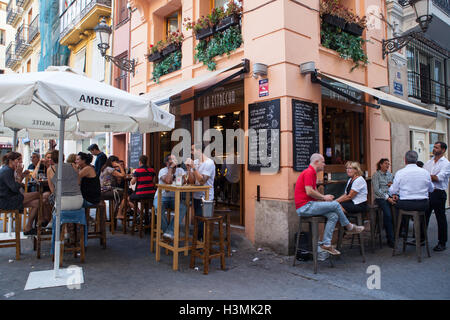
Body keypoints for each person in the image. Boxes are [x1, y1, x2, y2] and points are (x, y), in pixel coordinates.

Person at [295, 153, 364, 255]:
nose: (324, 164)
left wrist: (324, 199)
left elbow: (313, 191)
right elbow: (309, 191)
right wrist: (324, 197)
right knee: (335, 205)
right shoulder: (309, 172)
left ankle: (326, 244)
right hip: (305, 207)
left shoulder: (312, 173)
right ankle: (349, 227)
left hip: (309, 205)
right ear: (316, 162)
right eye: (323, 162)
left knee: (333, 215)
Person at [389, 150, 434, 240]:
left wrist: (394, 193)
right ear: (416, 160)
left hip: (406, 204)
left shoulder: (400, 173)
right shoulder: (425, 172)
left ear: (405, 160)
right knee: (420, 211)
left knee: (396, 206)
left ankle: (401, 231)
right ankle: (419, 235)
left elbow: (393, 190)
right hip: (423, 204)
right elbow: (431, 189)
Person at [0, 152, 40, 235]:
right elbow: (14, 188)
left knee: (37, 203)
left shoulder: (8, 169)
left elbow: (14, 185)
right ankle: (43, 220)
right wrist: (19, 175)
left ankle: (28, 228)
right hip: (6, 200)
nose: (20, 162)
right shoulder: (7, 171)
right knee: (38, 194)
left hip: (10, 197)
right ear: (11, 161)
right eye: (18, 160)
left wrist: (21, 176)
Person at [186, 144, 216, 240]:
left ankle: (204, 245)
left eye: (192, 150)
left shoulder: (209, 163)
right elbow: (192, 181)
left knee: (203, 223)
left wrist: (193, 167)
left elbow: (202, 181)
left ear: (199, 150)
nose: (191, 152)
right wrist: (188, 169)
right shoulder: (195, 162)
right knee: (198, 220)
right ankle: (199, 244)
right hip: (196, 196)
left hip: (207, 198)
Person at [424, 142, 450, 252]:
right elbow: (426, 176)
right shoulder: (429, 162)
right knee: (424, 216)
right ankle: (421, 238)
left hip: (438, 193)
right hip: (427, 192)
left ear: (443, 150)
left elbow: (438, 178)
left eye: (436, 147)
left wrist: (424, 176)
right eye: (433, 147)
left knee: (440, 218)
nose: (434, 149)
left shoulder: (446, 163)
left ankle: (442, 242)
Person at [156, 155, 187, 240]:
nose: (174, 162)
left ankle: (168, 232)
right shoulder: (162, 171)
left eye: (175, 160)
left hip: (174, 198)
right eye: (172, 160)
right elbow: (168, 181)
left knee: (183, 208)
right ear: (167, 163)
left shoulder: (180, 170)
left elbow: (185, 181)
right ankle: (167, 234)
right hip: (161, 197)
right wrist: (170, 169)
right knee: (158, 208)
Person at [371, 158, 395, 248]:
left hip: (391, 196)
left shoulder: (390, 174)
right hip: (381, 198)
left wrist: (393, 191)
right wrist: (388, 198)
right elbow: (377, 190)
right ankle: (391, 240)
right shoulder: (376, 175)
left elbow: (394, 185)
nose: (387, 165)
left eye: (388, 164)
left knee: (400, 210)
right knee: (388, 215)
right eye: (385, 163)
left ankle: (399, 234)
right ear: (380, 164)